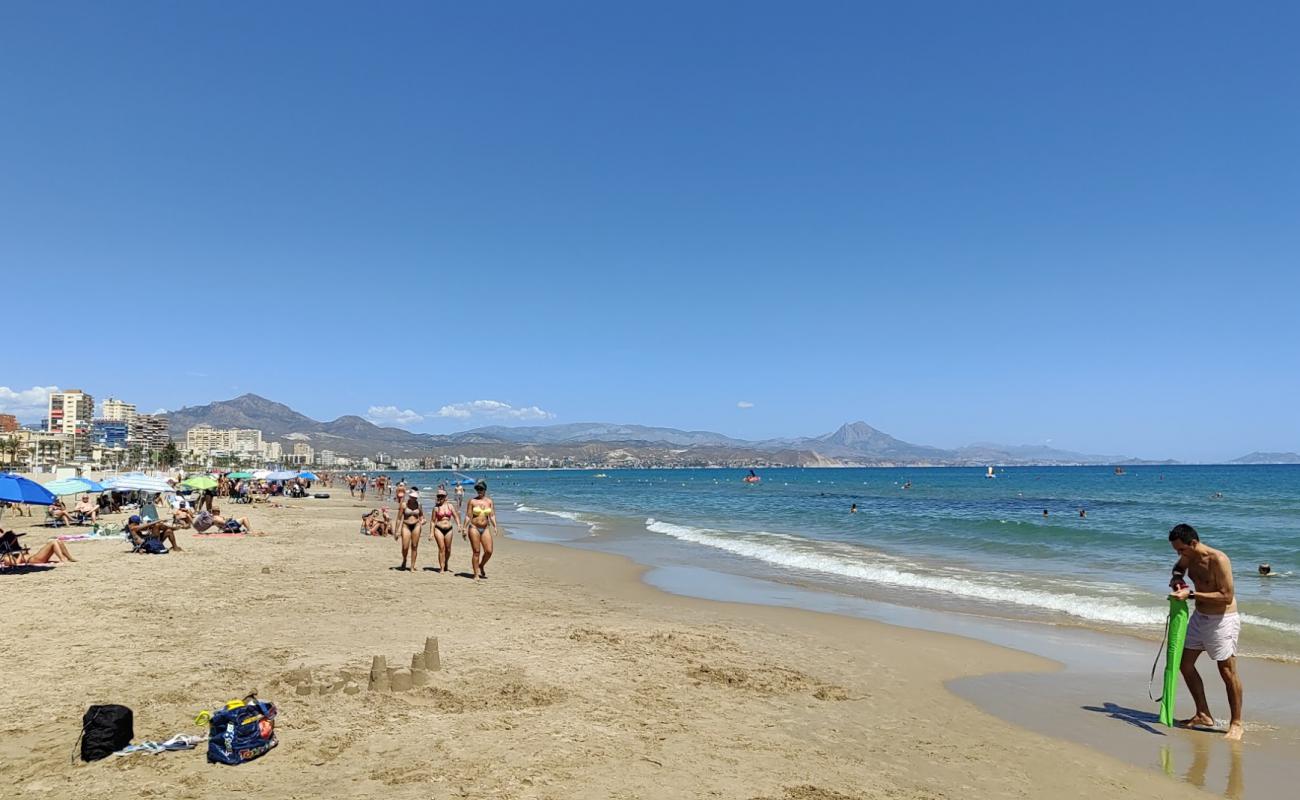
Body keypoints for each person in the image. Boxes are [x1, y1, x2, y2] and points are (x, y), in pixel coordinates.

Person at [1167, 523, 1243, 741]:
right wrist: (1177, 579)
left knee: (1227, 672)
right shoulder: (1188, 557)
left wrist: (1190, 595)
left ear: (1193, 543)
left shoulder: (1219, 560)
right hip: (1200, 618)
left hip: (1222, 620)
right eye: (1176, 551)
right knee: (1185, 664)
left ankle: (1236, 723)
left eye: (1181, 550)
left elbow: (1226, 596)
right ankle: (1203, 714)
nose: (1180, 555)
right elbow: (1178, 568)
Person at [464, 480, 498, 580]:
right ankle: (476, 574)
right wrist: (464, 528)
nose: (479, 491)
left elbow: (491, 515)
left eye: (481, 489)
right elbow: (468, 516)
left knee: (489, 551)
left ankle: (481, 565)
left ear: (485, 490)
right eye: (477, 489)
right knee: (476, 551)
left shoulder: (489, 501)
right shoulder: (472, 501)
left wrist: (495, 526)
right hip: (474, 527)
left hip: (485, 528)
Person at [1, 530, 76, 566]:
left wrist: (25, 552)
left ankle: (69, 558)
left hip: (34, 557)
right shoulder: (6, 557)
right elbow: (16, 563)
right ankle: (62, 559)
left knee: (58, 541)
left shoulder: (12, 551)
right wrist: (21, 554)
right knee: (53, 542)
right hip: (34, 560)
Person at [429, 488, 460, 573]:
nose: (440, 497)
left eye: (442, 496)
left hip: (449, 529)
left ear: (446, 496)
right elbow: (432, 521)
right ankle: (441, 567)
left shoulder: (450, 506)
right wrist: (431, 533)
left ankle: (446, 562)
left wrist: (459, 525)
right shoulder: (436, 508)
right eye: (439, 496)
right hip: (438, 529)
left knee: (448, 549)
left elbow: (456, 516)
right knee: (441, 548)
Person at [396, 488, 423, 571]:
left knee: (414, 546)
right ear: (409, 496)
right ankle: (404, 560)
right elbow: (399, 518)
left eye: (415, 497)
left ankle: (412, 565)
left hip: (416, 525)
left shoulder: (419, 505)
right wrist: (397, 531)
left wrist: (423, 520)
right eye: (412, 497)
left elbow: (421, 516)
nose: (414, 498)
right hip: (406, 525)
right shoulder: (404, 505)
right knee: (405, 546)